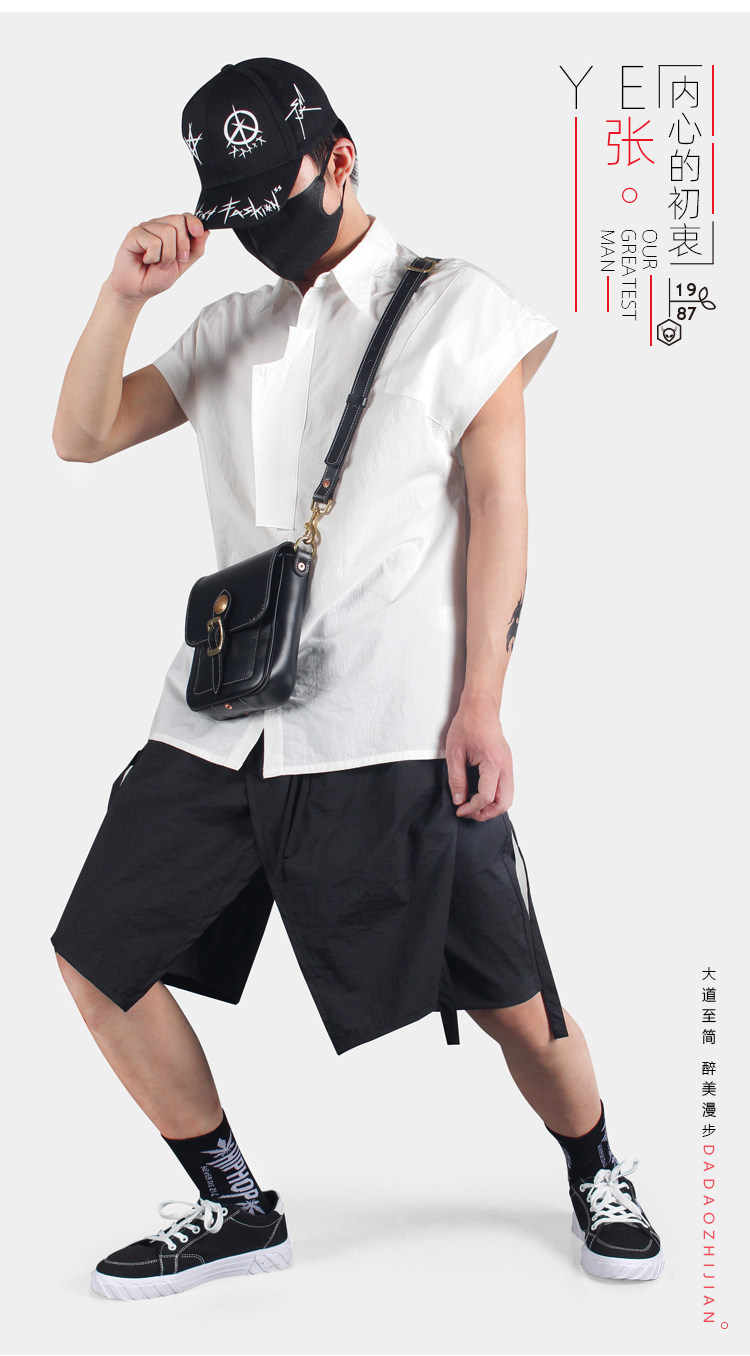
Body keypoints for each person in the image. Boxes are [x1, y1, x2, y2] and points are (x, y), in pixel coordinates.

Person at [50, 57, 663, 1302]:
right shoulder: (229, 328)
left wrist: (484, 700)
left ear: (339, 159)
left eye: (277, 202)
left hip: (390, 725)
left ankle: (595, 1161)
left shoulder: (458, 308)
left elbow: (500, 511)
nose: (264, 236)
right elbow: (84, 433)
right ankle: (235, 1203)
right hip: (219, 722)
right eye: (239, 218)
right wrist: (123, 295)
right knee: (98, 954)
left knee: (513, 995)